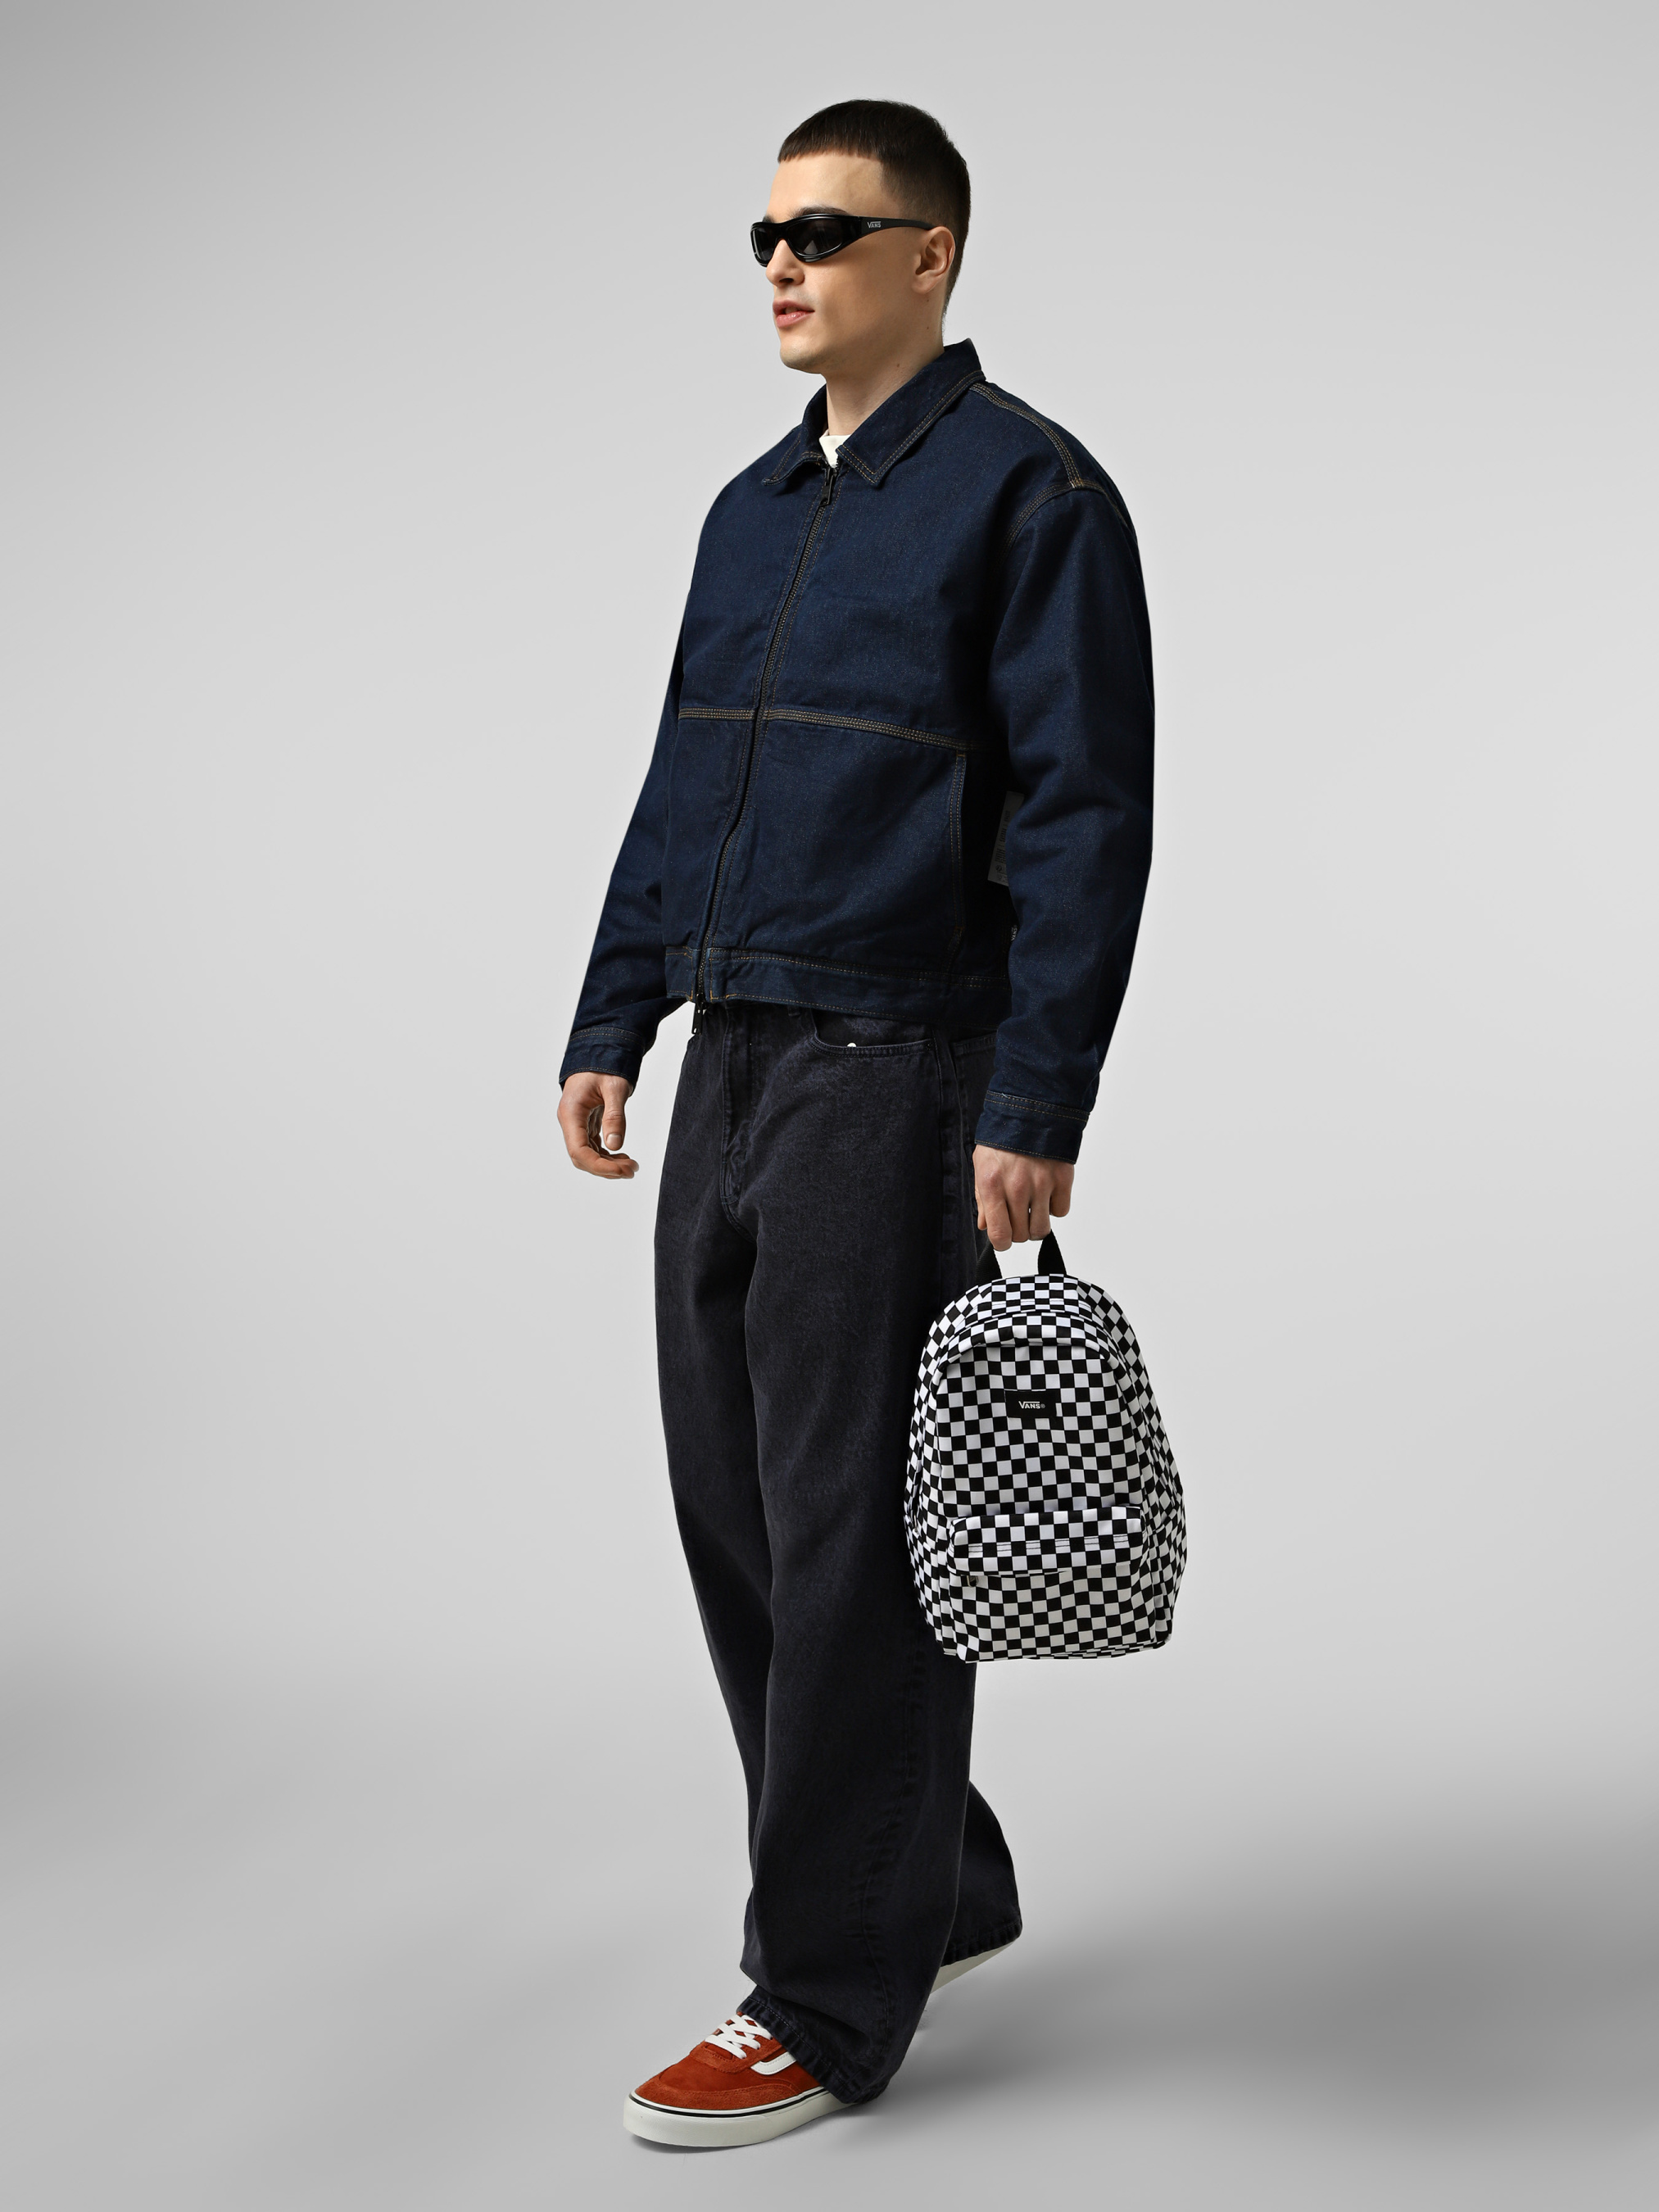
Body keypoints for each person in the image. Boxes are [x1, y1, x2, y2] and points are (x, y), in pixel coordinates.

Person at [558, 99, 1154, 2148]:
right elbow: (680, 776)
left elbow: (1084, 819)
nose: (781, 264)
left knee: (850, 1541)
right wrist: (616, 1009)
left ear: (930, 255)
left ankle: (819, 1995)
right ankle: (931, 1879)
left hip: (899, 1074)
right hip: (736, 1057)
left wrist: (1034, 1095)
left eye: (823, 230)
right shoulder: (749, 510)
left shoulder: (1030, 495)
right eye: (763, 233)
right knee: (733, 1504)